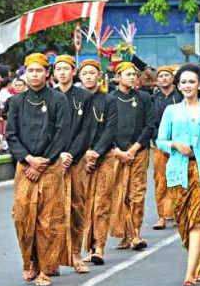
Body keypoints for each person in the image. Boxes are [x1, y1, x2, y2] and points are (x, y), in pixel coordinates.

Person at [156, 64, 200, 286]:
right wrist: (175, 144)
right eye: (183, 82)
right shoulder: (171, 111)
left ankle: (191, 271)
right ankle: (198, 259)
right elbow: (160, 141)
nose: (187, 85)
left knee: (198, 220)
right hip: (177, 172)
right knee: (184, 221)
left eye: (191, 82)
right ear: (178, 85)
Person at [6, 53, 71, 286]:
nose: (34, 75)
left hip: (51, 167)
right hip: (25, 167)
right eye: (30, 71)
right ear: (24, 73)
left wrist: (44, 161)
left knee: (49, 220)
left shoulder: (58, 100)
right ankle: (30, 261)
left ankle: (46, 268)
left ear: (47, 73)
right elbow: (11, 135)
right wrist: (28, 159)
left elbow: (63, 132)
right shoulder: (16, 102)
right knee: (22, 216)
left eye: (39, 71)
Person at [109, 62, 156, 251]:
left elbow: (149, 125)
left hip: (138, 151)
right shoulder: (109, 99)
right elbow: (106, 127)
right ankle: (125, 234)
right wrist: (117, 151)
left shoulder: (144, 98)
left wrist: (134, 149)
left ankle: (136, 233)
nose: (132, 77)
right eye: (127, 74)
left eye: (134, 75)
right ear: (118, 77)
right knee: (120, 194)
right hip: (116, 152)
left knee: (137, 193)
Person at [53, 55, 93, 274]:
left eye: (66, 69)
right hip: (54, 159)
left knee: (77, 207)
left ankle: (76, 253)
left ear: (73, 71)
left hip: (76, 160)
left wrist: (71, 154)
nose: (62, 73)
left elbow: (86, 130)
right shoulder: (49, 96)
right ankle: (53, 256)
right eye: (58, 69)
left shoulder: (84, 97)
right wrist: (58, 154)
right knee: (54, 209)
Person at [77, 59, 118, 266]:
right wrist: (84, 153)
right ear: (80, 76)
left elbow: (110, 129)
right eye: (84, 73)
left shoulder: (109, 100)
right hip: (80, 158)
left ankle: (99, 246)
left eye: (92, 73)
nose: (88, 77)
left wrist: (96, 152)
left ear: (99, 75)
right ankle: (86, 247)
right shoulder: (74, 100)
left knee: (102, 202)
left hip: (105, 157)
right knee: (83, 203)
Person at [150, 65, 182, 230]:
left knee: (179, 179)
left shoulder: (181, 97)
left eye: (167, 75)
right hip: (160, 145)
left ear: (172, 79)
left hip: (180, 145)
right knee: (161, 181)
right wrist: (157, 139)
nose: (164, 78)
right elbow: (150, 122)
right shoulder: (154, 99)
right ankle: (162, 216)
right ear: (157, 80)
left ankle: (178, 213)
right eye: (161, 76)